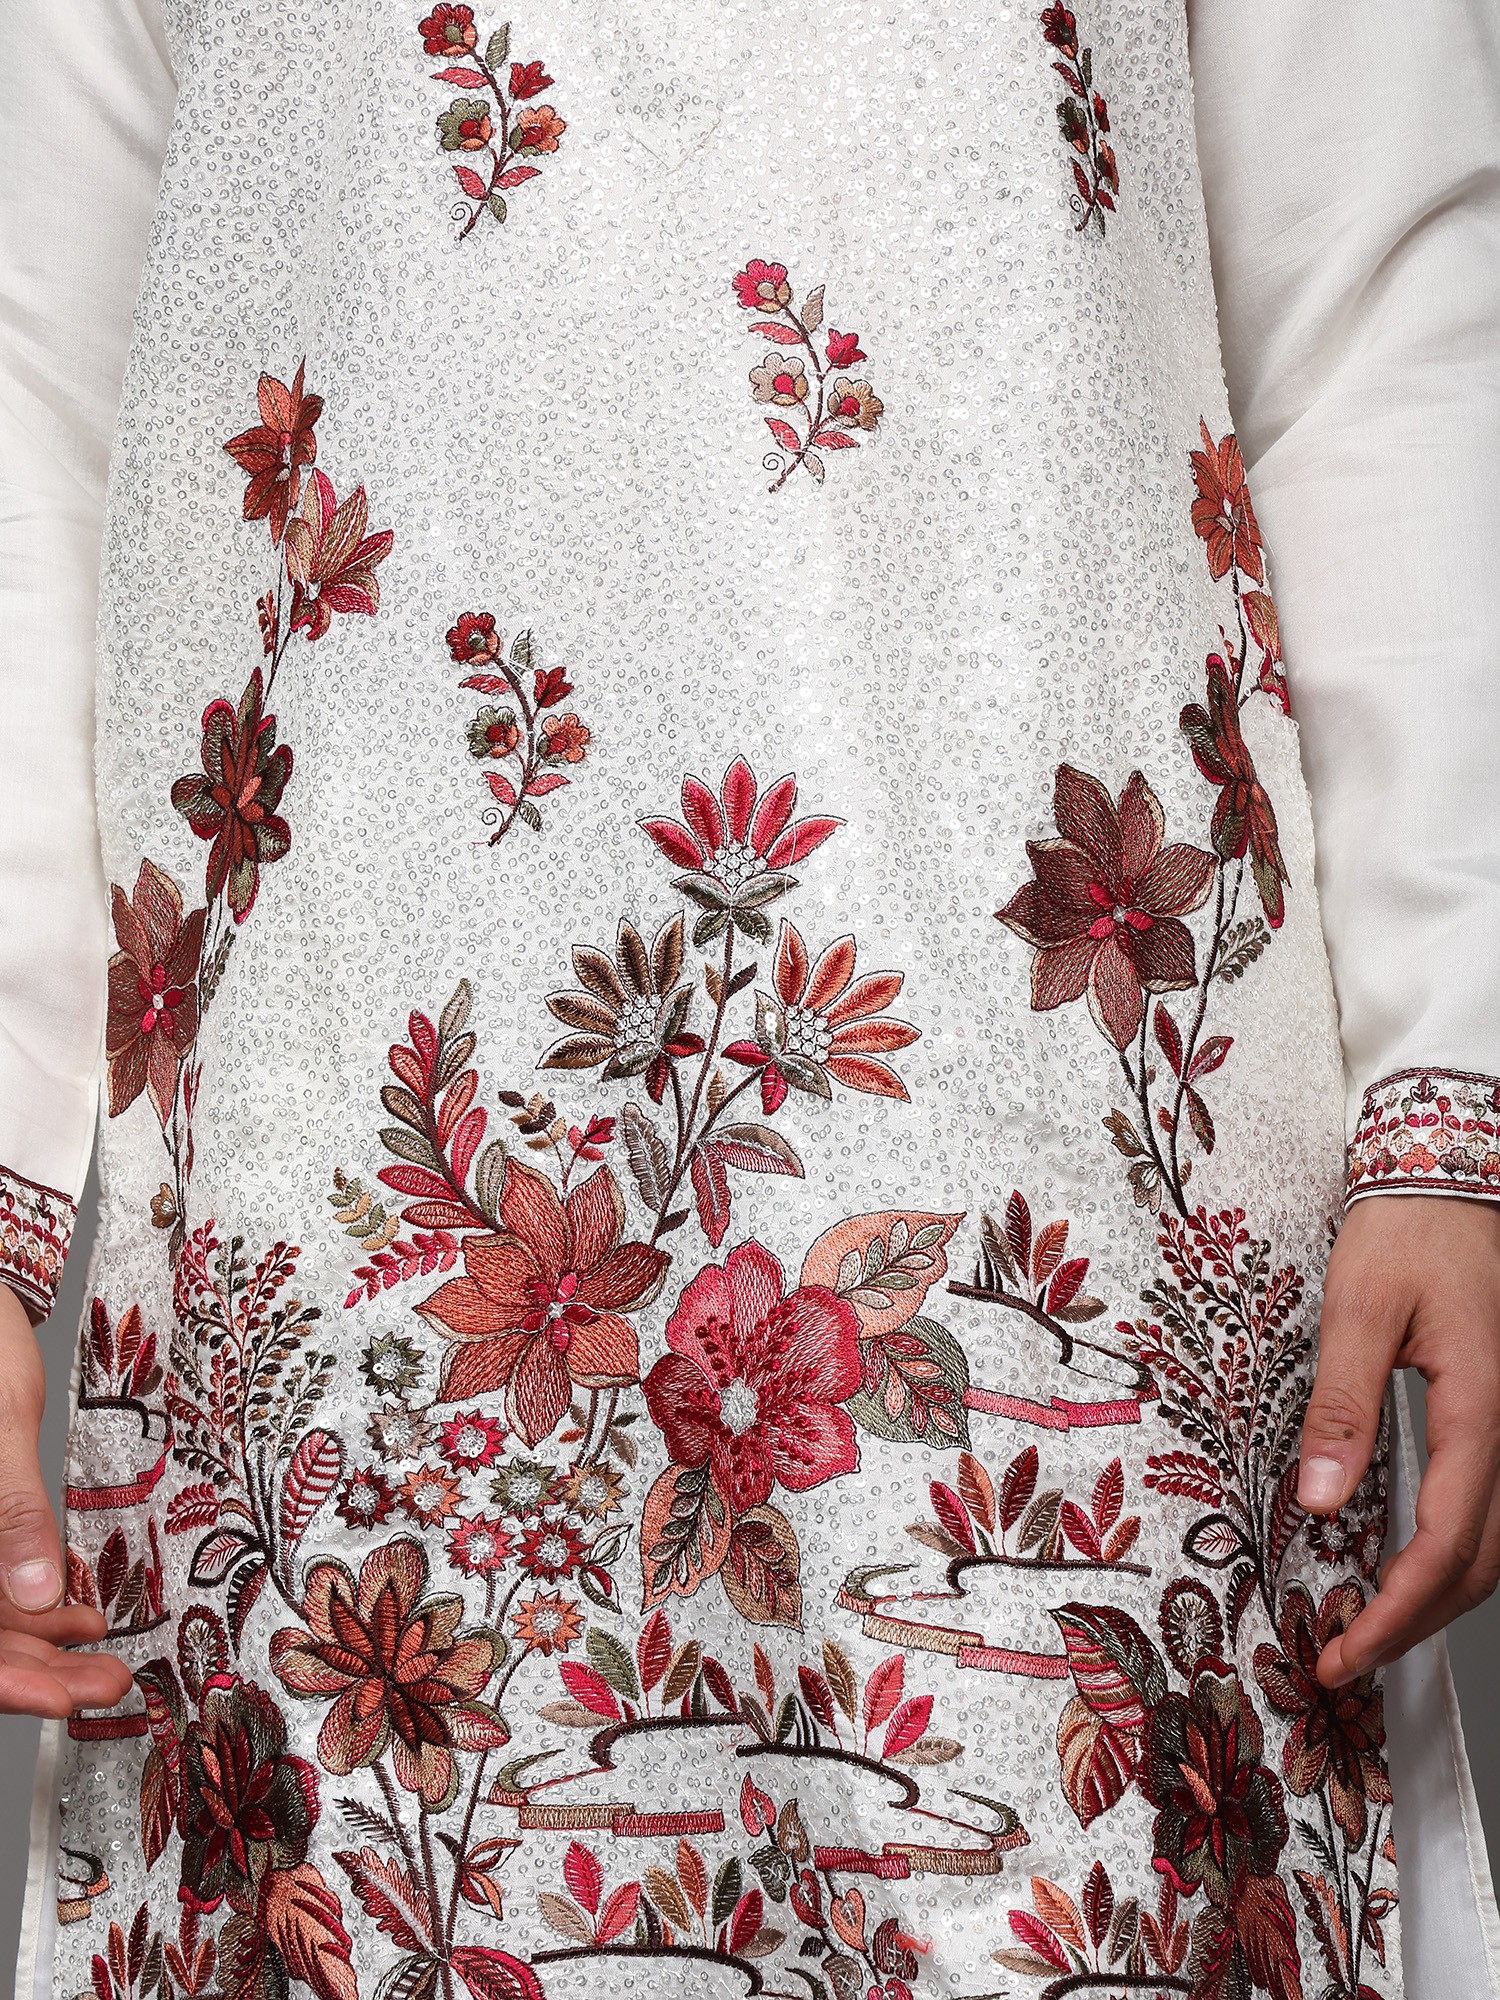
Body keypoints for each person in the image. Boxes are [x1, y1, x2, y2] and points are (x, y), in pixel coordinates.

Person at [1, 0, 1497, 1995]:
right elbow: (37, 378)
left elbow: (1374, 299)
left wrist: (1452, 1079)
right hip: (341, 1073)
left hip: (1054, 1065)